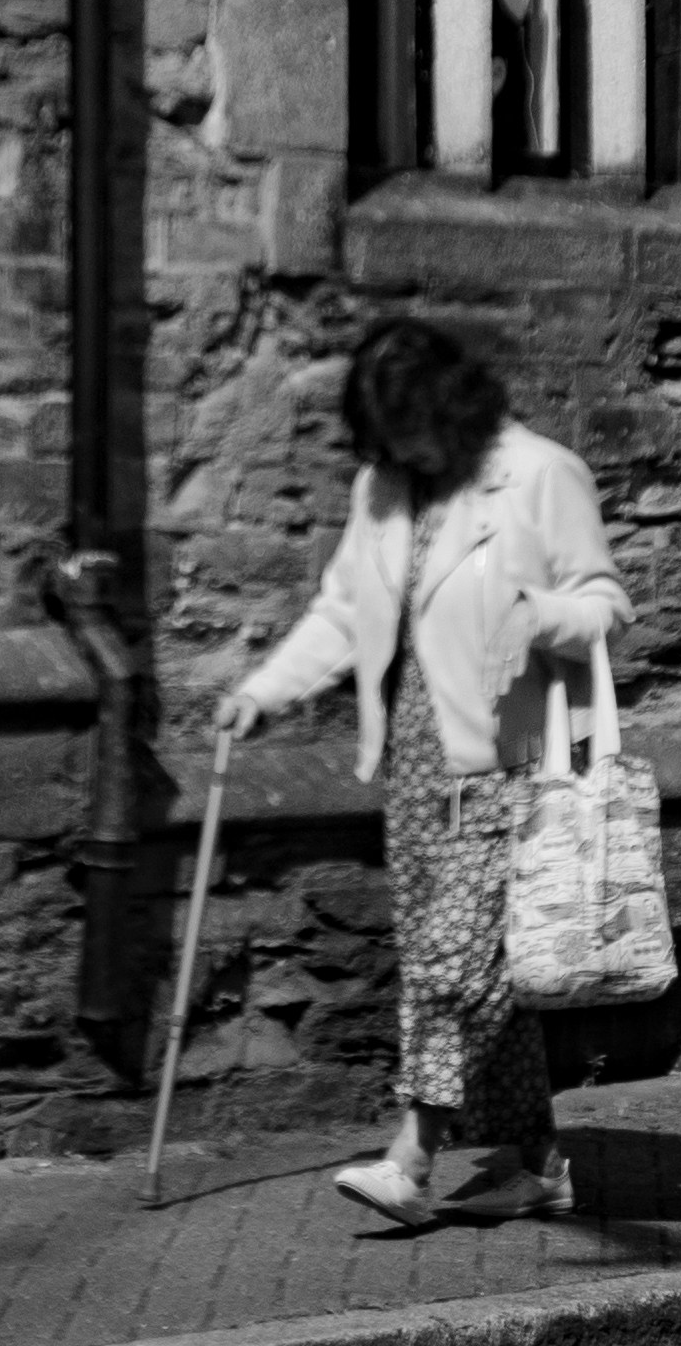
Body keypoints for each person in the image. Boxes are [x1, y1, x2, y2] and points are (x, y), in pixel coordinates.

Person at [217, 318, 631, 1229]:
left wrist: (538, 614)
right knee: (490, 981)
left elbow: (607, 603)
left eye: (403, 426)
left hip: (508, 763)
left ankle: (411, 1160)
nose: (396, 448)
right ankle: (546, 1166)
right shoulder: (386, 489)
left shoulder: (539, 473)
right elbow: (341, 610)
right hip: (413, 763)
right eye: (381, 434)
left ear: (447, 404)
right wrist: (265, 693)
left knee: (450, 971)